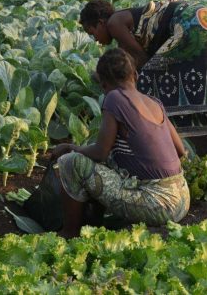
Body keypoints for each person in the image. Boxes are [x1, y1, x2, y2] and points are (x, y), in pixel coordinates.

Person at [51, 48, 190, 239]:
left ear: (104, 83)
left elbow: (100, 152)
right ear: (136, 75)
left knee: (70, 162)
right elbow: (181, 151)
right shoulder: (154, 102)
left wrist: (70, 147)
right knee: (111, 159)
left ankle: (70, 232)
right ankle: (93, 221)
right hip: (182, 198)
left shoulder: (114, 98)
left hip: (158, 205)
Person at [79, 0, 207, 158]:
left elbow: (142, 58)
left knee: (147, 89)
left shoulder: (114, 23)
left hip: (191, 23)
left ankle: (162, 153)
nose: (96, 41)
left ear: (100, 23)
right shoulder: (127, 25)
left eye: (92, 33)